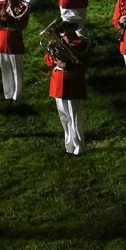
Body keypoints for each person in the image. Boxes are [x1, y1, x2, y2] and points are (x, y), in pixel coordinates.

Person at [45, 14, 91, 156]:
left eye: (70, 27)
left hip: (72, 82)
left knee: (74, 117)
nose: (66, 31)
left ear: (75, 28)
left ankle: (79, 147)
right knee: (64, 117)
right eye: (65, 27)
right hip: (58, 81)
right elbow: (48, 61)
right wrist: (52, 53)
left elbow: (84, 63)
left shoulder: (82, 43)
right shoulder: (59, 41)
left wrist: (68, 64)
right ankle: (69, 147)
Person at [0, 0, 31, 100]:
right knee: (5, 68)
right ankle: (8, 94)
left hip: (14, 38)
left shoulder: (23, 6)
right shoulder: (0, 3)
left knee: (16, 69)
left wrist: (8, 19)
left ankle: (17, 94)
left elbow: (22, 24)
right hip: (1, 39)